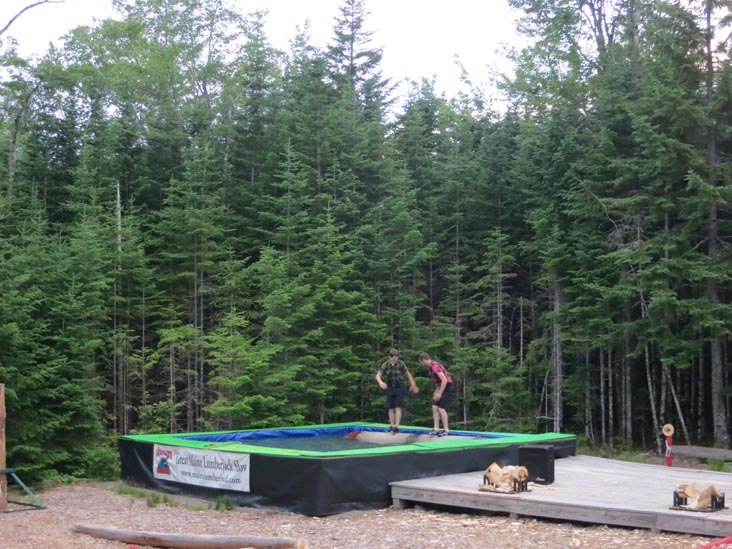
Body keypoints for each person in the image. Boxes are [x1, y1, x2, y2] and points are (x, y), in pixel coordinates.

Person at [376, 348, 419, 433]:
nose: (396, 359)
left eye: (397, 358)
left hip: (400, 386)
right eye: (394, 358)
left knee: (398, 406)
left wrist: (413, 384)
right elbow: (378, 375)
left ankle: (396, 426)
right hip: (390, 386)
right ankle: (392, 425)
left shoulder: (401, 364)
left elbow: (408, 374)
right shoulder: (385, 365)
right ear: (390, 357)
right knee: (390, 407)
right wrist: (381, 382)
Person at [419, 352, 455, 437]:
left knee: (441, 408)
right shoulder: (430, 368)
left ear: (423, 360)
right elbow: (438, 382)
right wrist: (436, 391)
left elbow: (444, 380)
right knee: (434, 407)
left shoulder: (434, 366)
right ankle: (436, 429)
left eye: (421, 362)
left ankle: (446, 430)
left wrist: (440, 393)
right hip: (442, 387)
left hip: (448, 387)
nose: (421, 364)